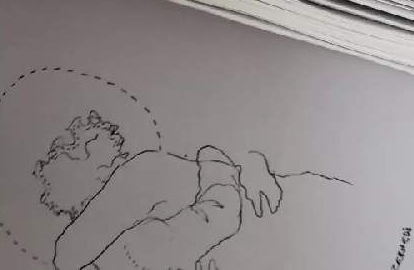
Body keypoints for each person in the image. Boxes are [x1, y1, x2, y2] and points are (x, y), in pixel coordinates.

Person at [35, 110, 292, 270]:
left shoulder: (86, 249)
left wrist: (241, 162)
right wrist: (223, 160)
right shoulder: (137, 183)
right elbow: (219, 214)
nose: (120, 155)